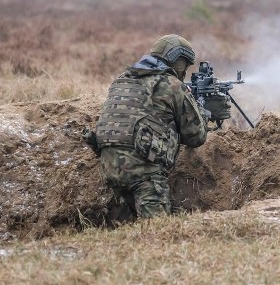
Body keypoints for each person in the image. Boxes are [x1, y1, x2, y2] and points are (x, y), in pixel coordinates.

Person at [84, 34, 229, 219]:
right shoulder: (172, 85)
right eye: (185, 65)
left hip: (108, 168)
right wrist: (199, 109)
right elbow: (196, 137)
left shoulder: (122, 79)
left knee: (127, 222)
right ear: (177, 61)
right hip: (144, 174)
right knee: (157, 232)